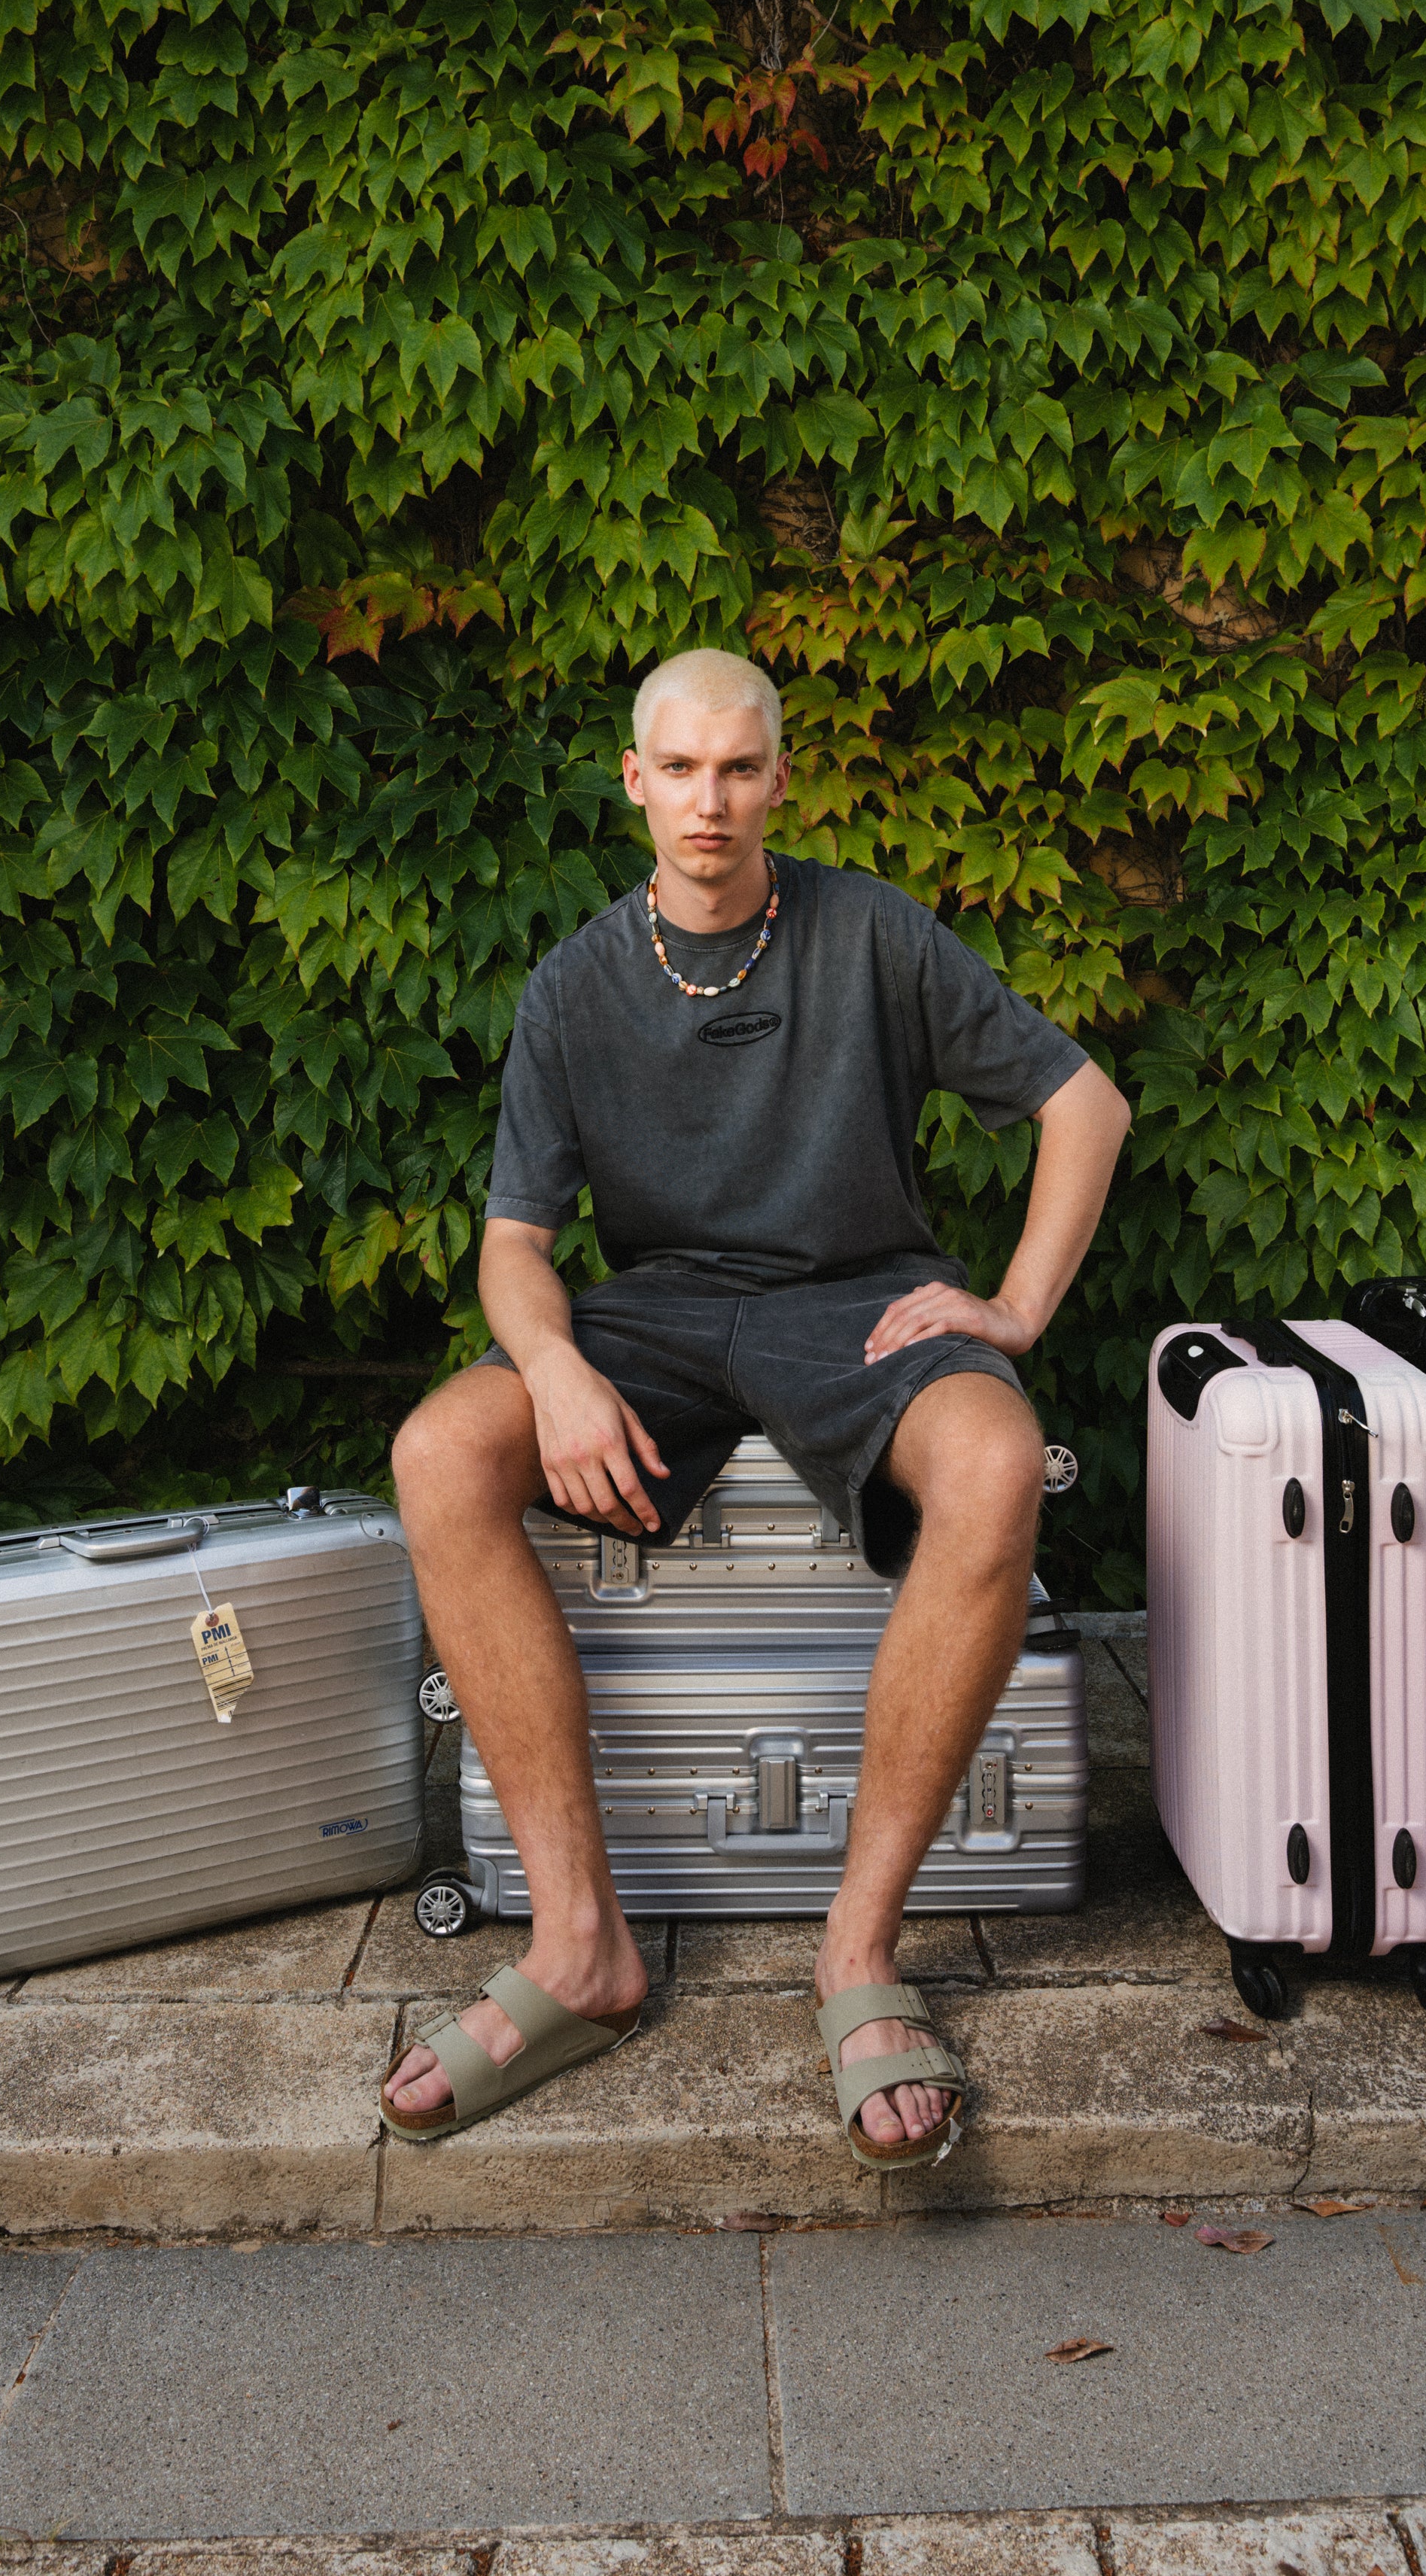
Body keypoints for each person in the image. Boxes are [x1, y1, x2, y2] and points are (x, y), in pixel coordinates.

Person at [383, 648, 1130, 2168]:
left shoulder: (868, 932)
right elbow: (514, 1244)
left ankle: (856, 1947)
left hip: (857, 1300)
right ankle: (581, 1942)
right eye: (678, 770)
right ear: (633, 781)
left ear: (779, 776)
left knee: (992, 1462)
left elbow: (1082, 1102)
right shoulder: (576, 985)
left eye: (737, 768)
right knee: (438, 1447)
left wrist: (1014, 1307)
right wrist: (558, 1367)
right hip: (655, 1314)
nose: (706, 802)